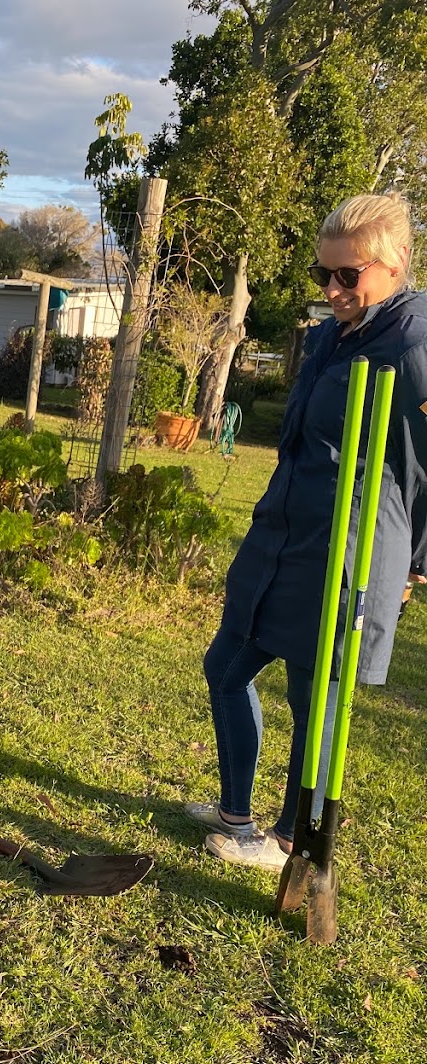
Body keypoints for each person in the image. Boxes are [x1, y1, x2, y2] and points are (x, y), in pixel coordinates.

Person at [187, 191, 427, 871]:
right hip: (282, 532)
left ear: (396, 264)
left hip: (344, 550)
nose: (332, 289)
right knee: (225, 666)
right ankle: (236, 813)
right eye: (324, 274)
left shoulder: (412, 345)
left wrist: (416, 565)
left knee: (311, 699)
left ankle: (291, 839)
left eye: (348, 276)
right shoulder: (330, 335)